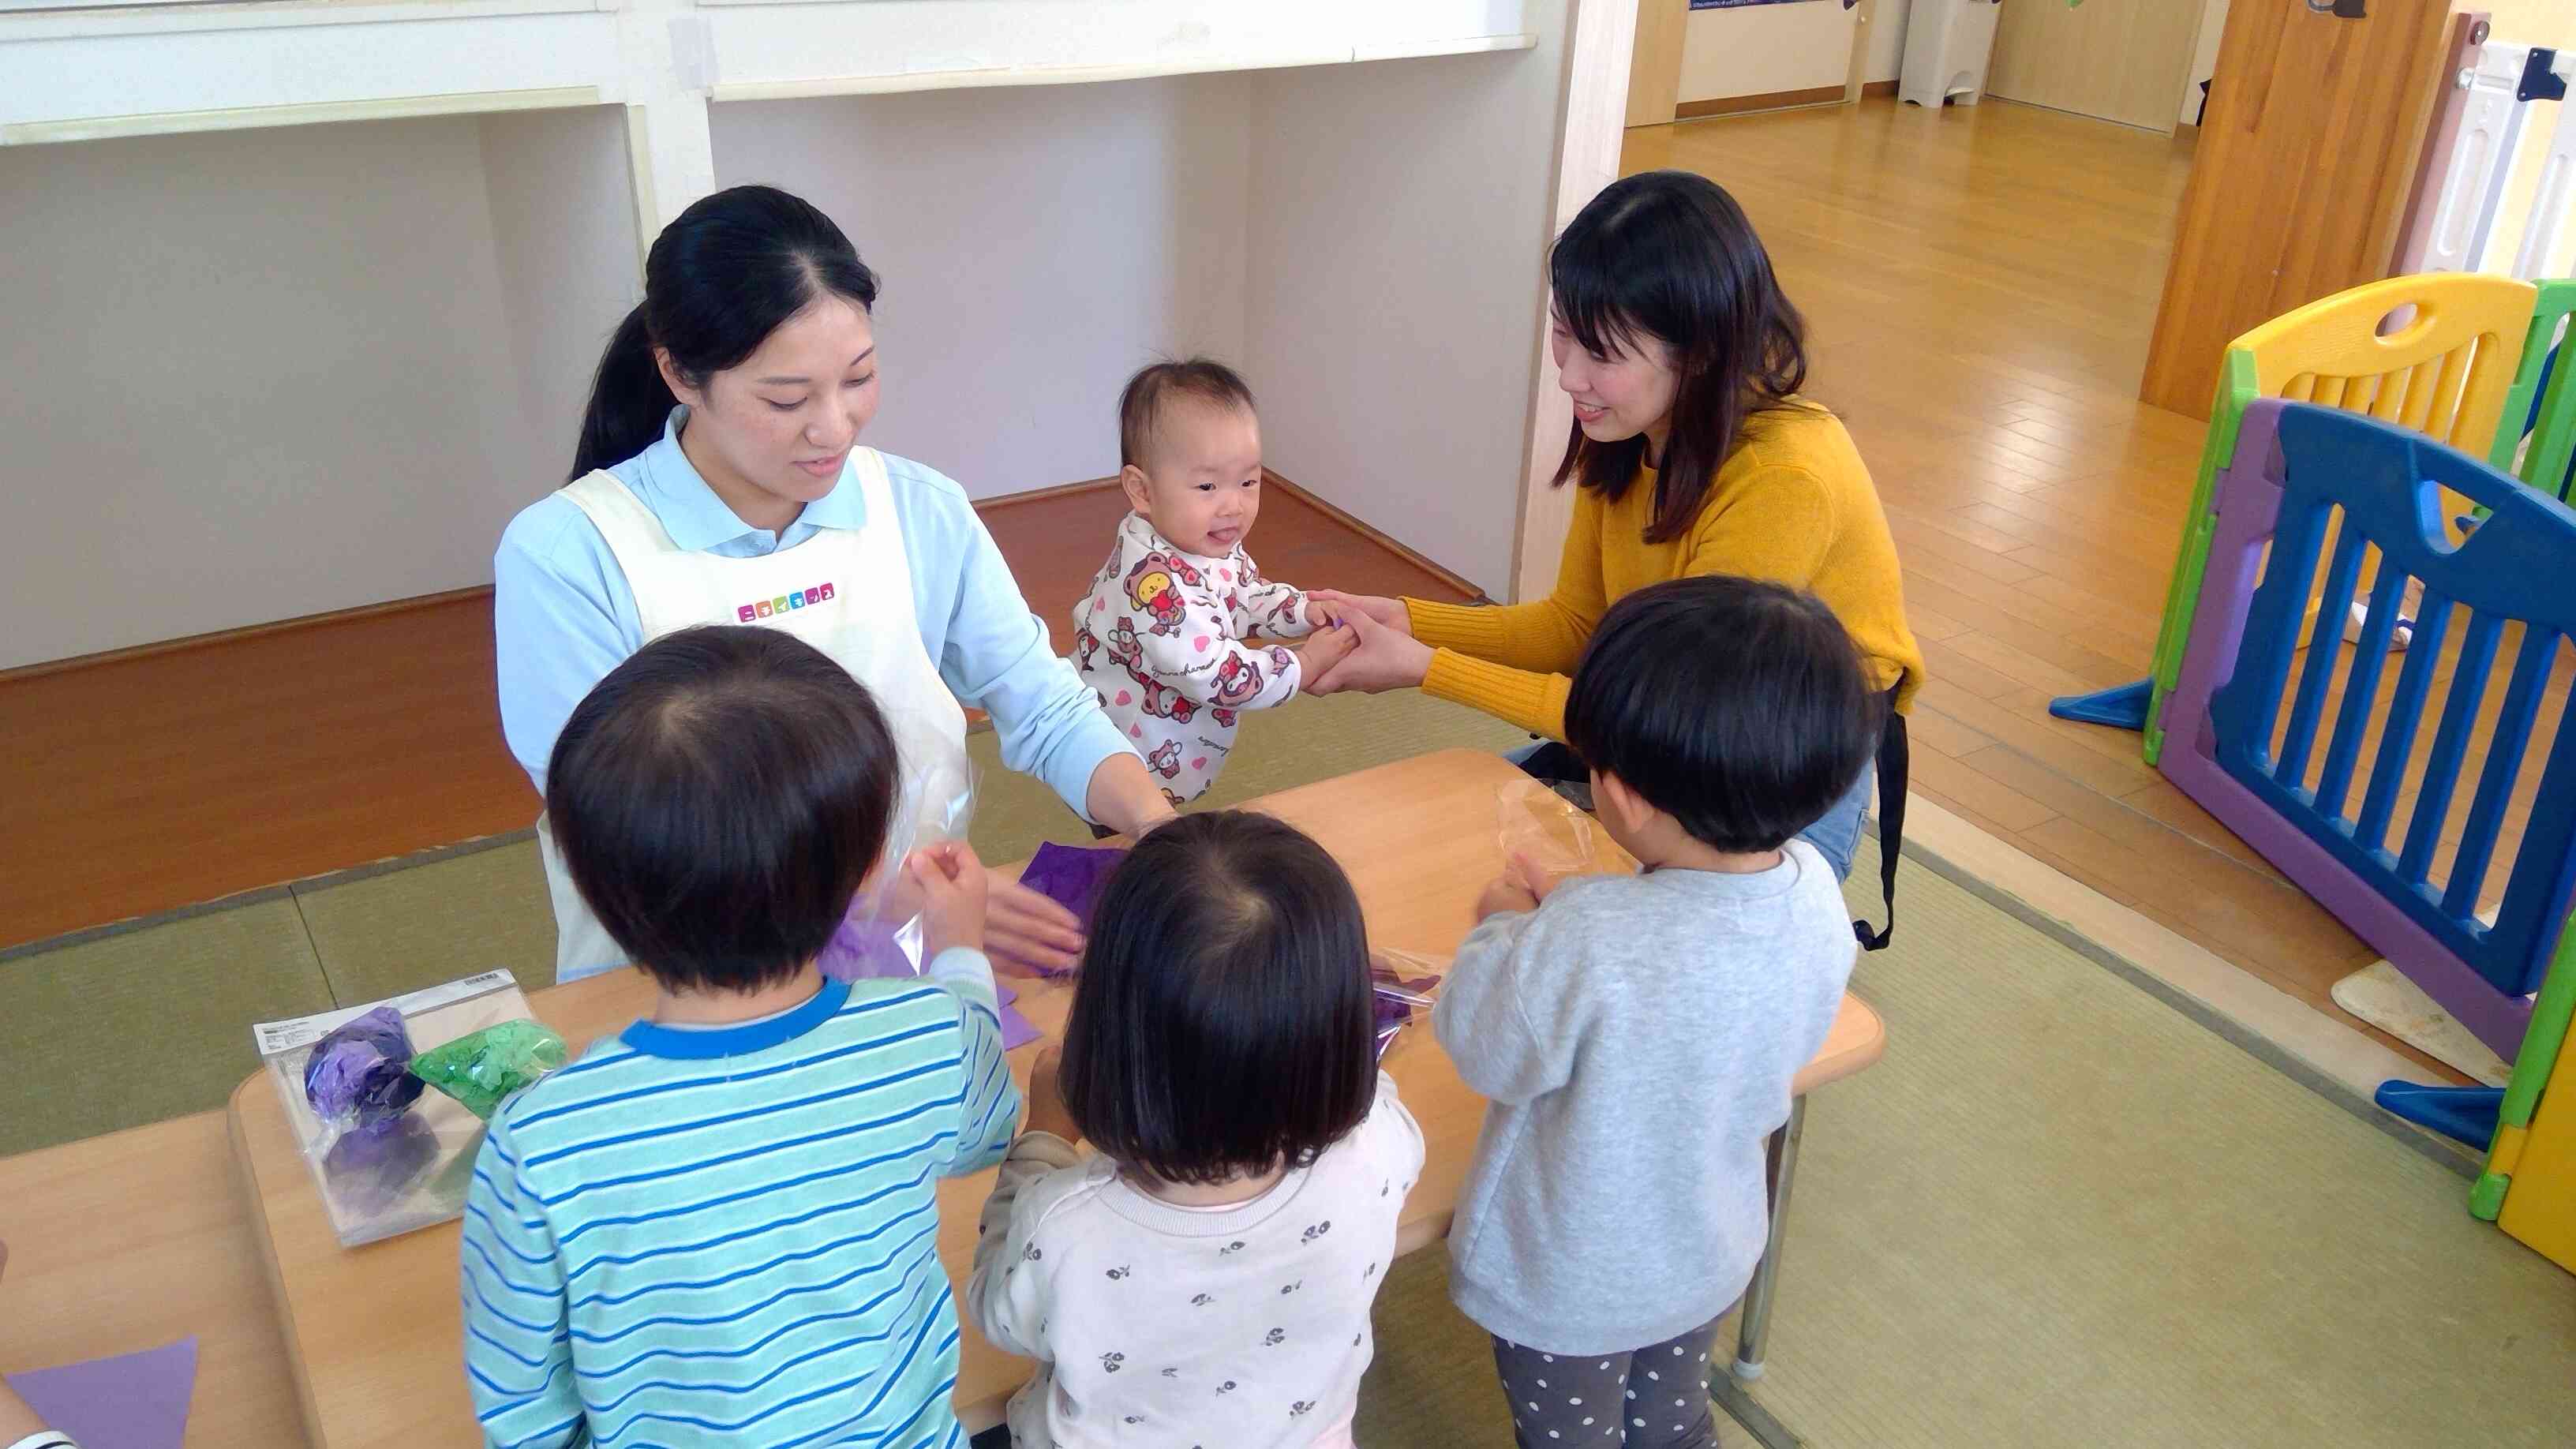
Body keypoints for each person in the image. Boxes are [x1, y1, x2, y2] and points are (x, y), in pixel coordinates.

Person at [495, 184, 1172, 982]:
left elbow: (1042, 702)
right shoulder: (568, 555)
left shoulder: (919, 509)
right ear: (679, 374)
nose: (834, 429)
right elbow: (628, 835)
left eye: (858, 379)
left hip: (924, 953)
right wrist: (884, 904)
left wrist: (1158, 829)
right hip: (686, 991)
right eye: (786, 399)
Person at [1305, 170, 1923, 942]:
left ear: (1697, 352)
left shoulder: (1782, 477)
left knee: (1679, 948)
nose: (1568, 375)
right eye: (1564, 334)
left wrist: (1424, 667)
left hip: (1784, 756)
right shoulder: (1633, 431)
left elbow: (1670, 730)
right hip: (1666, 719)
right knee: (1467, 849)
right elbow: (1575, 626)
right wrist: (1404, 619)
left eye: (1601, 353)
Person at [461, 627, 1021, 1448]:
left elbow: (523, 1404)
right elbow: (988, 1125)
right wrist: (957, 949)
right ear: (871, 865)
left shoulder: (541, 1142)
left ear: (585, 881)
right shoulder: (929, 1040)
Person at [1433, 576, 1874, 1449]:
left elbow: (1485, 1046)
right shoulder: (1816, 892)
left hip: (1572, 1279)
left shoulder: (1589, 939)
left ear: (1622, 795)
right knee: (1672, 1424)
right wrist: (1578, 920)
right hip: (1706, 1247)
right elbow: (1699, 970)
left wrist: (1506, 926)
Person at [962, 811, 1423, 1449]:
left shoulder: (1066, 1223)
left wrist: (1043, 1135)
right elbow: (1371, 1089)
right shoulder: (1382, 1141)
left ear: (1106, 1036)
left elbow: (998, 1310)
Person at [1069, 360, 1353, 808]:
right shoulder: (1155, 583)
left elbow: (1244, 593)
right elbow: (1219, 676)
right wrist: (1304, 664)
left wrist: (1301, 611)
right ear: (1142, 491)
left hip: (1171, 744)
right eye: (1206, 486)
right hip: (1124, 759)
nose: (1233, 505)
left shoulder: (1202, 541)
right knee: (1129, 852)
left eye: (1249, 482)